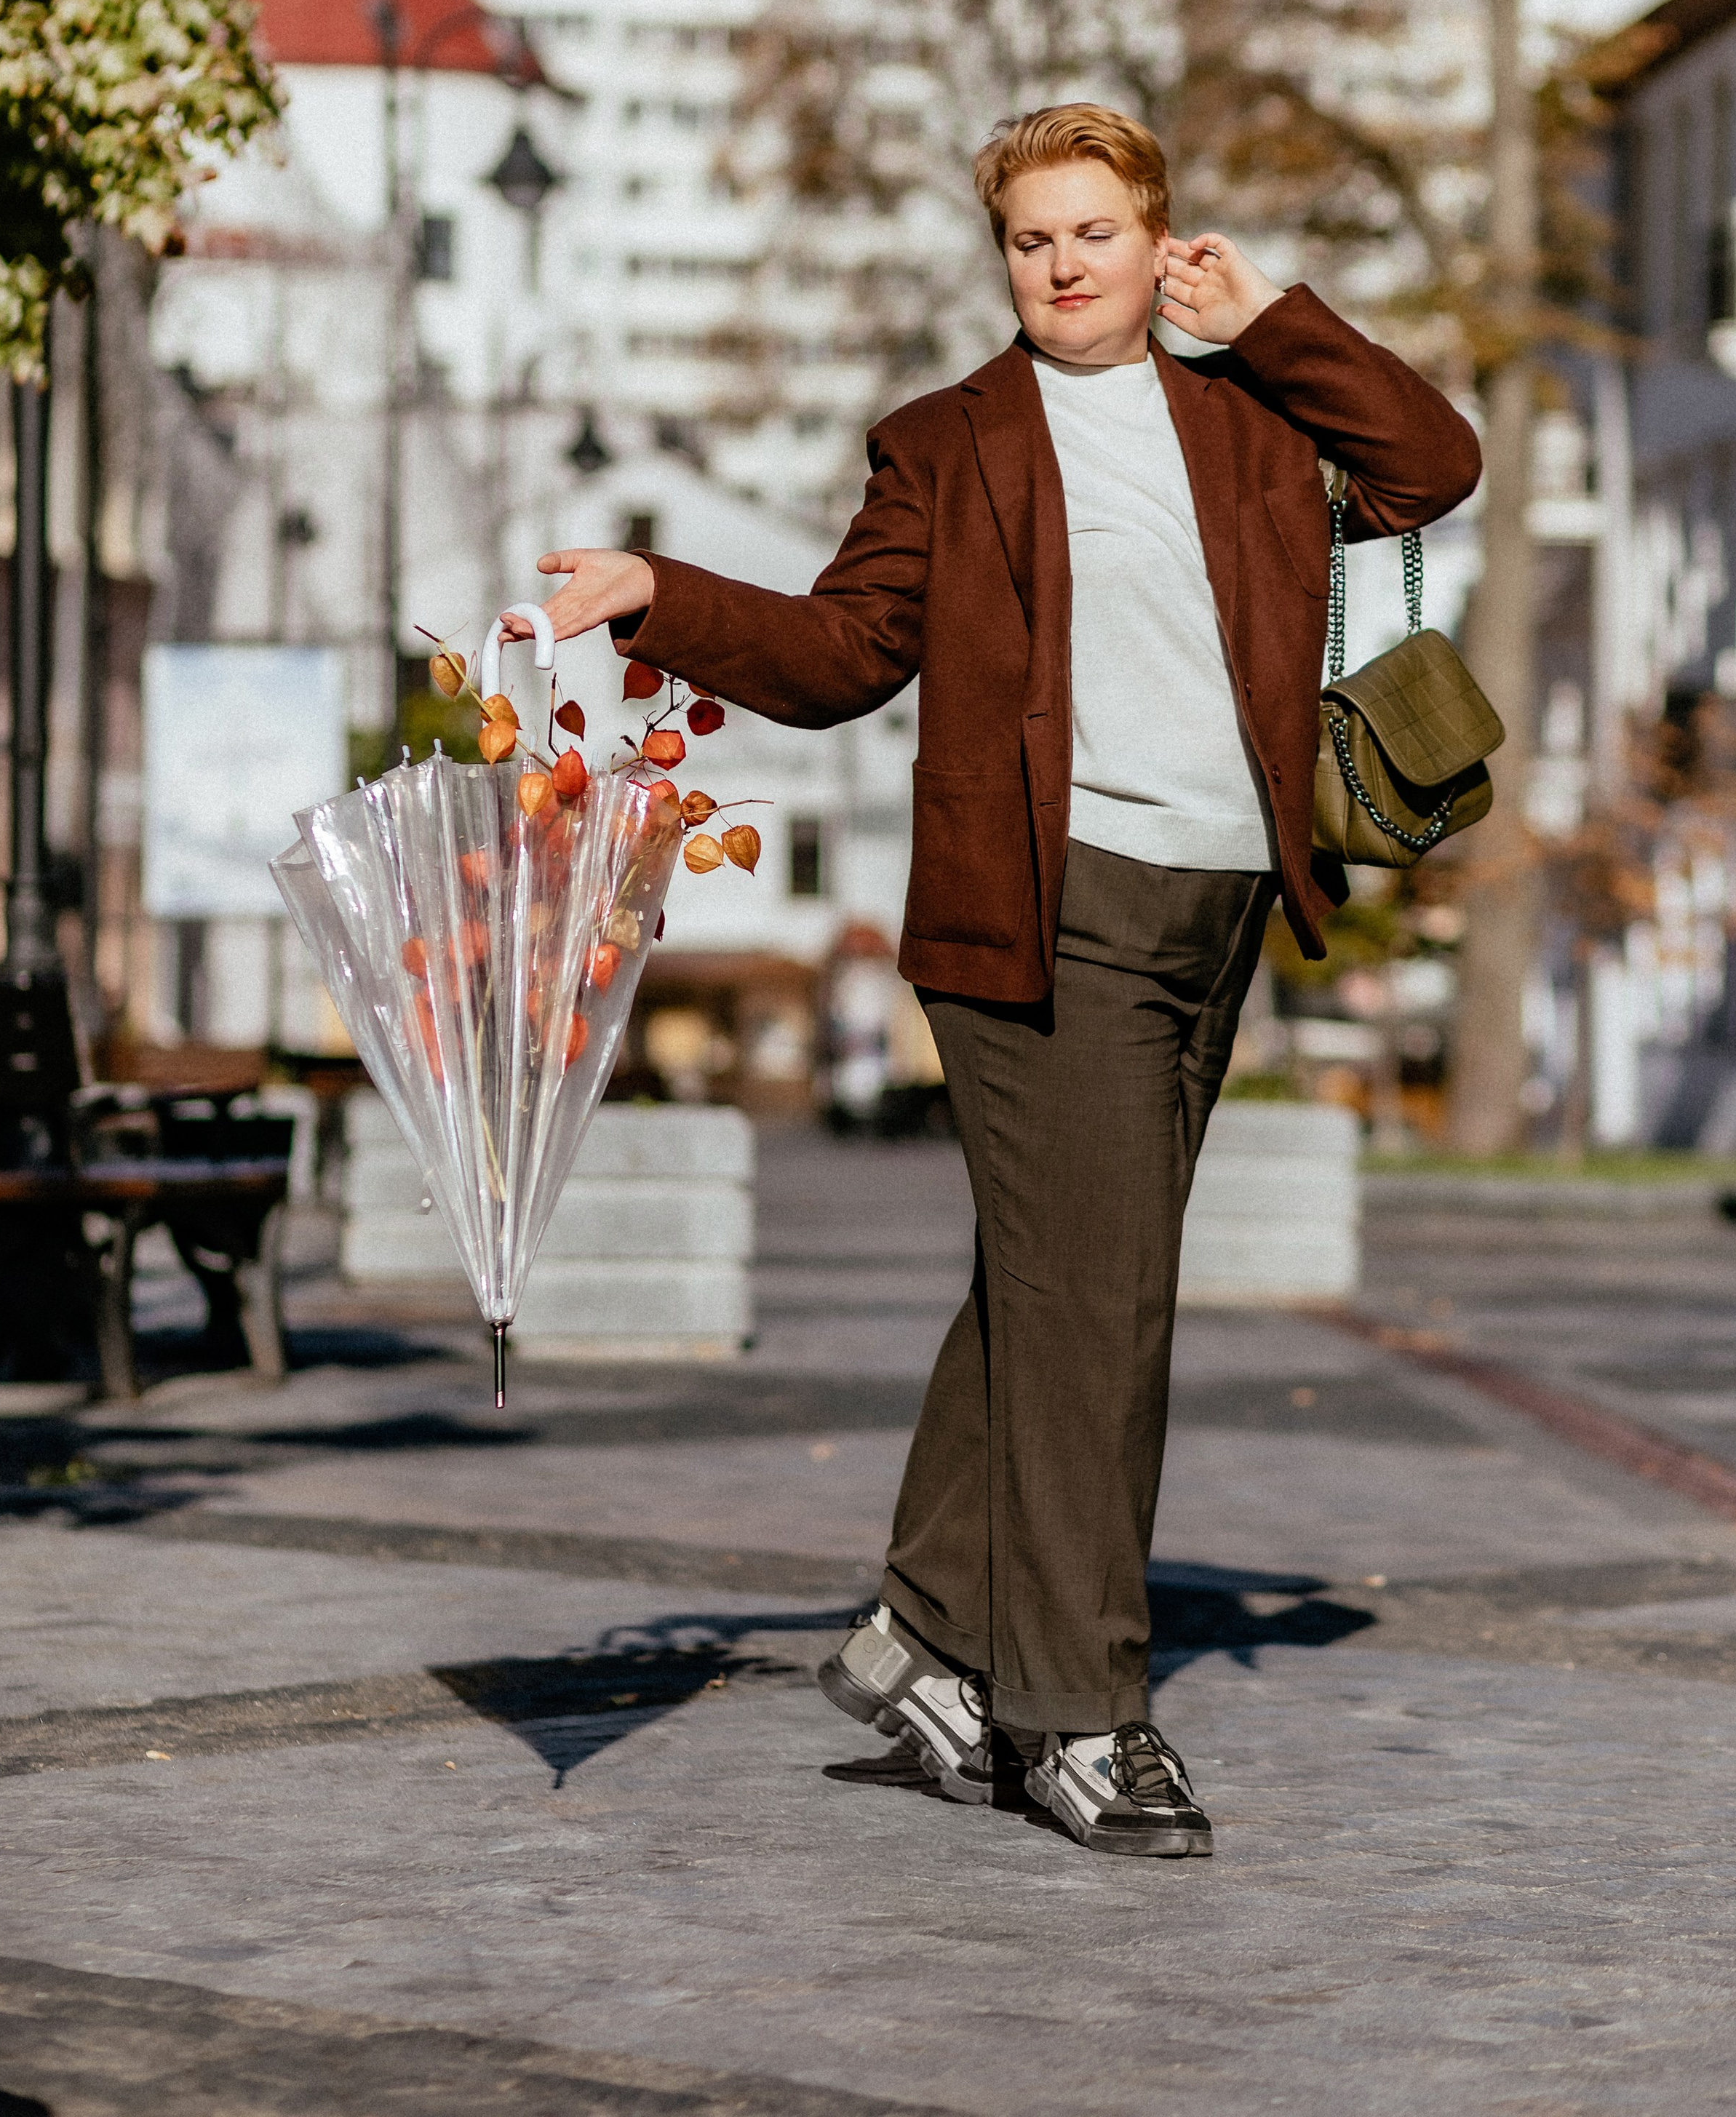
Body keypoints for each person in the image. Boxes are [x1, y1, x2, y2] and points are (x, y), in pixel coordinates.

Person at [504, 103, 1481, 1861]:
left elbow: (1431, 467)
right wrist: (657, 593)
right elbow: (841, 650)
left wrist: (1272, 320)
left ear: (1154, 237)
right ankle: (1078, 1710)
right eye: (1030, 239)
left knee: (1057, 1284)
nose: (1061, 265)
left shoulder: (1248, 413)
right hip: (1045, 915)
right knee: (1102, 1306)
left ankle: (919, 1634)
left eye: (1092, 231)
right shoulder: (950, 443)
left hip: (1222, 905)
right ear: (1002, 259)